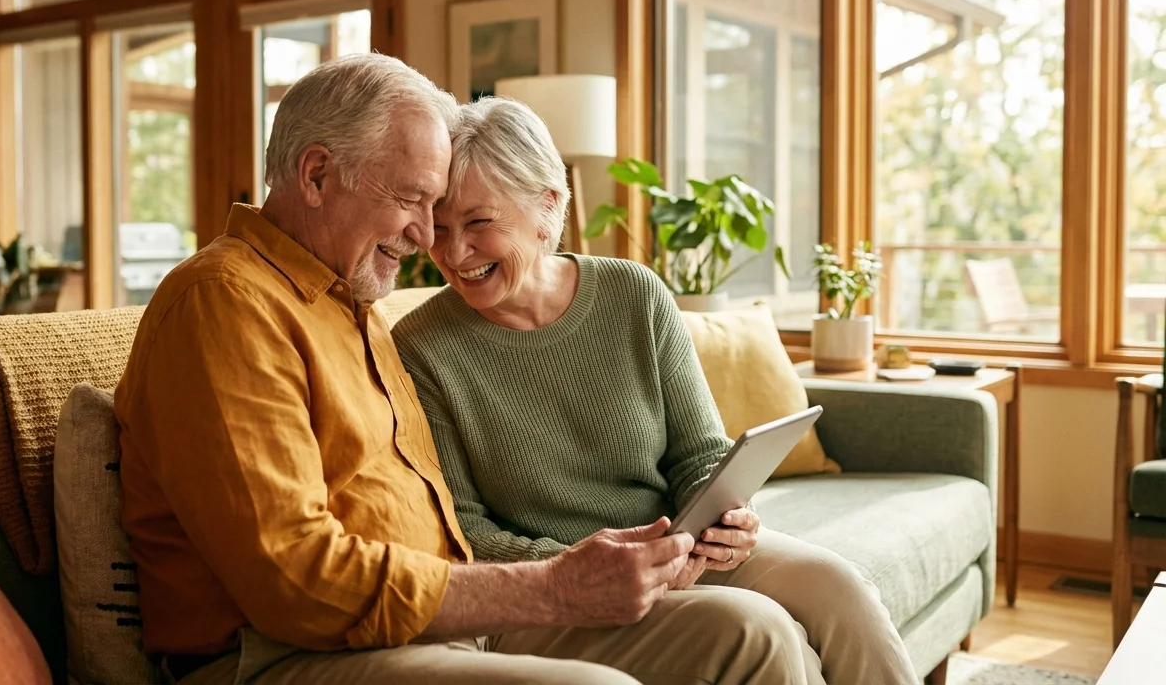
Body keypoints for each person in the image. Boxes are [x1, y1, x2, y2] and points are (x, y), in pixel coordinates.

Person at [115, 53, 811, 685]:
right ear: (317, 175)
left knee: (752, 634)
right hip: (287, 655)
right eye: (414, 200)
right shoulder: (224, 303)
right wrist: (554, 586)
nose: (427, 240)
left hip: (445, 625)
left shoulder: (349, 306)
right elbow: (296, 581)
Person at [392, 96, 921, 685]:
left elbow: (699, 454)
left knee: (843, 590)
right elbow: (464, 531)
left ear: (547, 206)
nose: (454, 253)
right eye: (439, 229)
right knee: (764, 628)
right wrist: (578, 568)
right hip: (563, 583)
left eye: (479, 223)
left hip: (680, 545)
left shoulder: (633, 294)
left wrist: (728, 518)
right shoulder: (420, 347)